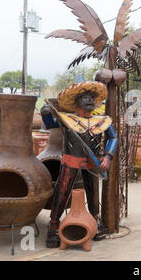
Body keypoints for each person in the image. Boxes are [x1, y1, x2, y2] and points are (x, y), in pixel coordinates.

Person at [40, 81, 118, 248]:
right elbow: (50, 124)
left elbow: (113, 137)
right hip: (70, 161)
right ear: (77, 102)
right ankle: (54, 224)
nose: (89, 100)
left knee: (93, 192)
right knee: (62, 190)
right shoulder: (67, 120)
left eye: (91, 97)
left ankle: (95, 220)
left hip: (93, 162)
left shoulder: (102, 121)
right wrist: (46, 114)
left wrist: (108, 156)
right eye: (85, 97)